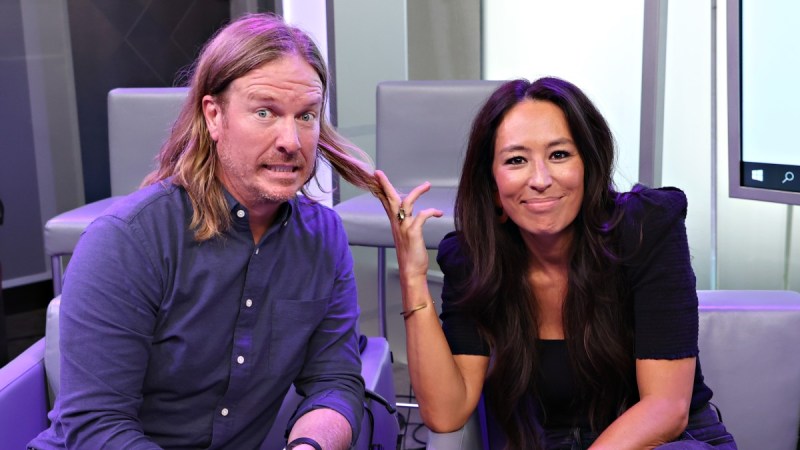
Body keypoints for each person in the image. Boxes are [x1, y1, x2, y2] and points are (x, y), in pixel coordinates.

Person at [30, 13, 382, 450]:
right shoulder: (127, 241)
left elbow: (334, 381)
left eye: (306, 116)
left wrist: (309, 446)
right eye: (264, 112)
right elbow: (98, 426)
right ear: (213, 116)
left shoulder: (323, 238)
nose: (291, 140)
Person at [373, 77, 737, 449]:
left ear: (588, 165)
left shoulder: (646, 229)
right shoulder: (474, 260)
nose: (541, 180)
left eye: (559, 155)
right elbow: (446, 413)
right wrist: (412, 275)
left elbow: (666, 408)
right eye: (516, 160)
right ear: (493, 185)